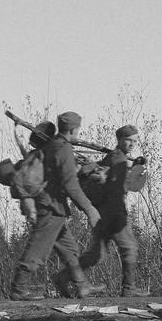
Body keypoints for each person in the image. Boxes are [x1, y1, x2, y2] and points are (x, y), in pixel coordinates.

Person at [9, 110, 102, 300]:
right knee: (38, 250)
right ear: (73, 129)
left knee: (70, 249)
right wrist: (90, 209)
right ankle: (19, 288)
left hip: (52, 206)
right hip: (51, 207)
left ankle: (82, 286)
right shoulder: (63, 149)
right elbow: (71, 185)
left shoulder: (52, 145)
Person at [78, 124, 150, 300]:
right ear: (119, 140)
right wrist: (139, 169)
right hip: (115, 211)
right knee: (130, 247)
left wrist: (132, 166)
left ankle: (64, 276)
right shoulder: (118, 159)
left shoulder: (112, 157)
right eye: (128, 140)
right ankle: (129, 288)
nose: (132, 144)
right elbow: (129, 185)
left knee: (97, 254)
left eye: (135, 141)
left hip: (103, 211)